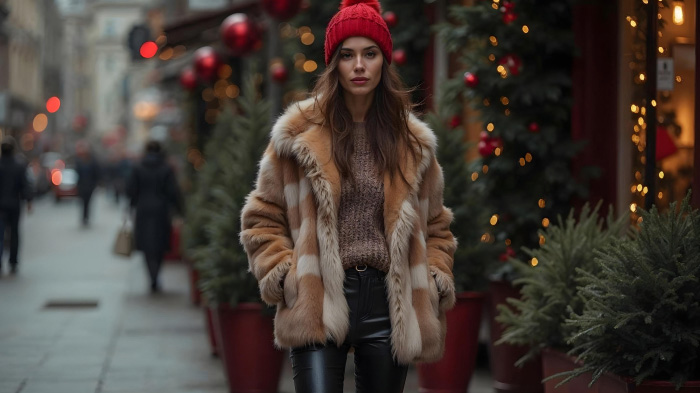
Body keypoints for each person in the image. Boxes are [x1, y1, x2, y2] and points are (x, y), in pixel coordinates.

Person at [240, 1, 457, 391]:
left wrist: (436, 275)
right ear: (333, 63)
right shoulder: (297, 136)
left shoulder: (413, 144)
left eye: (369, 54)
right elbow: (261, 216)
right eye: (348, 55)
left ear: (383, 62)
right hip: (317, 296)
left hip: (390, 307)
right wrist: (285, 273)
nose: (359, 65)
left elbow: (437, 224)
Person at [127, 141, 182, 293]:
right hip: (161, 211)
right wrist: (179, 210)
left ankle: (151, 276)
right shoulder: (166, 168)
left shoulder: (138, 167)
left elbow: (131, 190)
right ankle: (156, 274)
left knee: (146, 245)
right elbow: (173, 192)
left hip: (143, 209)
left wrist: (131, 206)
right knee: (159, 243)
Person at [0, 136, 33, 275]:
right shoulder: (19, 166)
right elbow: (25, 186)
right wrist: (29, 201)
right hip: (14, 205)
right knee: (14, 234)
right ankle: (13, 262)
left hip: (1, 206)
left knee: (0, 234)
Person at [74, 140, 100, 226]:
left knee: (88, 202)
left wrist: (95, 184)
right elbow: (77, 173)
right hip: (82, 185)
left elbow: (96, 173)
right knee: (83, 202)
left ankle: (86, 217)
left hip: (90, 186)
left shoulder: (93, 160)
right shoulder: (79, 161)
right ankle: (83, 217)